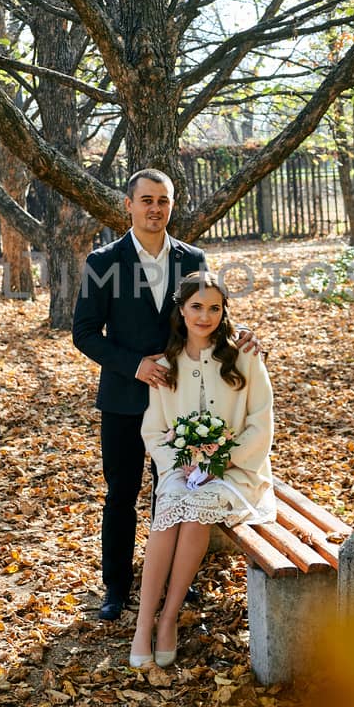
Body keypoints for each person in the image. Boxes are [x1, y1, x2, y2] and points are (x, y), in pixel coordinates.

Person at [72, 169, 205, 620]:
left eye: (163, 201)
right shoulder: (103, 261)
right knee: (122, 493)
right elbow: (84, 333)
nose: (155, 208)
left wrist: (240, 338)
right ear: (128, 205)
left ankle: (170, 581)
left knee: (174, 492)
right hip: (124, 399)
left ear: (172, 205)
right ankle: (116, 588)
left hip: (179, 399)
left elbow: (209, 322)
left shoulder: (193, 259)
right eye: (146, 200)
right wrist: (136, 365)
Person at [129, 273, 275, 669]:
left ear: (224, 311)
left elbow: (262, 422)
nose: (205, 315)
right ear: (181, 309)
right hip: (181, 468)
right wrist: (181, 462)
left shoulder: (243, 357)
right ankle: (144, 624)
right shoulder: (164, 366)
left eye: (214, 308)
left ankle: (169, 620)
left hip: (237, 471)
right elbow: (155, 432)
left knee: (194, 518)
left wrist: (221, 459)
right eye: (196, 306)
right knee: (170, 508)